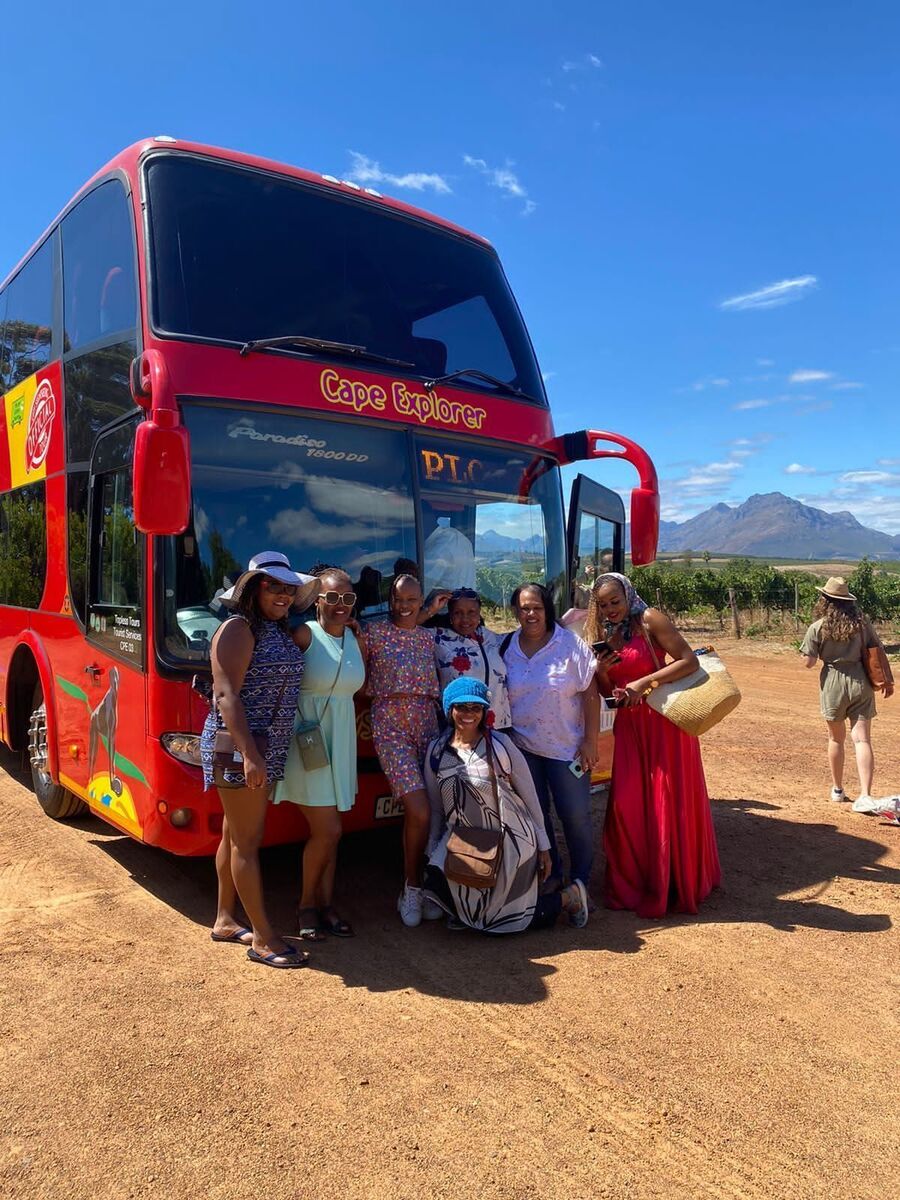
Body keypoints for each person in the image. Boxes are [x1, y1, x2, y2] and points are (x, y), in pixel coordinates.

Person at [201, 551, 319, 968]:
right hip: (242, 749)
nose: (284, 595)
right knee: (248, 843)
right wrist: (250, 755)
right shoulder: (238, 628)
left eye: (289, 588)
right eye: (274, 587)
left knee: (233, 834)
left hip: (263, 747)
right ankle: (265, 939)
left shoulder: (275, 629)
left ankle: (225, 920)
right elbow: (225, 696)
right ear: (253, 589)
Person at [585, 572, 721, 918]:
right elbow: (609, 694)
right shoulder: (607, 635)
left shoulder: (650, 619)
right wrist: (602, 671)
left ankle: (673, 883)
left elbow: (689, 660)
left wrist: (644, 682)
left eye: (615, 601)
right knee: (627, 805)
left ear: (628, 594)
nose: (610, 609)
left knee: (666, 801)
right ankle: (636, 883)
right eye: (603, 604)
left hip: (664, 724)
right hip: (630, 728)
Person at [423, 677, 589, 932]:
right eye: (461, 707)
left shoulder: (500, 745)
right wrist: (432, 849)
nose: (468, 714)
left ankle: (569, 898)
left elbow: (530, 797)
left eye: (475, 707)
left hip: (510, 841)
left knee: (505, 921)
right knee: (435, 883)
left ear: (484, 711)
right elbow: (437, 808)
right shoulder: (436, 751)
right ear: (449, 709)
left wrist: (544, 846)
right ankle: (471, 912)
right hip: (465, 841)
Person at [273, 565, 366, 938]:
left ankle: (326, 905)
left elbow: (358, 687)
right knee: (328, 830)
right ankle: (306, 907)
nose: (341, 604)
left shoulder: (354, 639)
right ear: (317, 601)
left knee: (333, 834)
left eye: (348, 597)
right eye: (333, 597)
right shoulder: (304, 635)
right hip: (308, 745)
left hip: (340, 744)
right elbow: (274, 675)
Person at [502, 583, 600, 894]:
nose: (530, 614)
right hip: (523, 749)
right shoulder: (506, 647)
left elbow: (591, 695)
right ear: (516, 611)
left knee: (575, 815)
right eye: (524, 608)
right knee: (537, 817)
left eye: (537, 608)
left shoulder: (569, 644)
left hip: (566, 749)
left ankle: (580, 880)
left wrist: (590, 741)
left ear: (547, 610)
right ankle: (553, 875)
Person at [357, 573, 443, 927]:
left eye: (411, 599)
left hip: (427, 722)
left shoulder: (428, 637)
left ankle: (433, 886)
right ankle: (412, 886)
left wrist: (429, 613)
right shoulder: (373, 633)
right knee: (419, 809)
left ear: (420, 601)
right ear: (389, 600)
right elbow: (357, 679)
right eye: (398, 599)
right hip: (390, 724)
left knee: (436, 810)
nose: (404, 606)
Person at [799, 576, 893, 812]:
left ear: (825, 600)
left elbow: (808, 663)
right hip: (861, 681)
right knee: (862, 739)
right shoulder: (862, 624)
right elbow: (878, 650)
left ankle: (838, 790)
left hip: (833, 683)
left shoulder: (817, 627)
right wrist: (887, 680)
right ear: (848, 601)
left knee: (835, 739)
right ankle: (866, 795)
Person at [431, 588, 512, 731]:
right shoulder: (437, 638)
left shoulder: (492, 638)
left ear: (479, 613)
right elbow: (405, 627)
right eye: (458, 613)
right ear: (450, 614)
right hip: (460, 728)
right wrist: (430, 609)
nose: (465, 619)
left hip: (497, 725)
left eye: (471, 612)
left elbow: (529, 633)